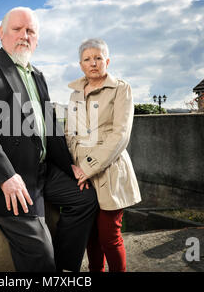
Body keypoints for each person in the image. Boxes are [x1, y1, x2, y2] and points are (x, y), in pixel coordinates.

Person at [0, 7, 98, 272]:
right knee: (41, 253)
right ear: (1, 34)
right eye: (17, 29)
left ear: (37, 39)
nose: (24, 35)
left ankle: (66, 269)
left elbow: (51, 129)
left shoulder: (38, 76)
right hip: (4, 178)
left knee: (86, 199)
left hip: (41, 173)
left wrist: (71, 167)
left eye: (30, 31)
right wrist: (5, 175)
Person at [65, 38, 141, 272]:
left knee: (109, 236)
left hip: (109, 172)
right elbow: (69, 133)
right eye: (87, 59)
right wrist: (74, 167)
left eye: (98, 58)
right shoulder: (75, 93)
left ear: (107, 61)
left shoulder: (121, 89)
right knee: (90, 237)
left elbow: (120, 135)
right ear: (81, 65)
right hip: (81, 175)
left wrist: (87, 167)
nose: (93, 63)